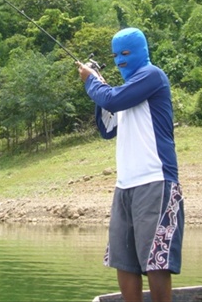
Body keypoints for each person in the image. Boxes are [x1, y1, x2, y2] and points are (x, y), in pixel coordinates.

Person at [77, 27, 184, 302]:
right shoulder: (125, 91)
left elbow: (113, 98)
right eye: (115, 56)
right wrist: (99, 84)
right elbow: (107, 127)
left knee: (156, 259)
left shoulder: (152, 76)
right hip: (125, 185)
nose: (120, 61)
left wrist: (92, 82)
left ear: (140, 51)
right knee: (123, 260)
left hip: (155, 180)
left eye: (125, 54)